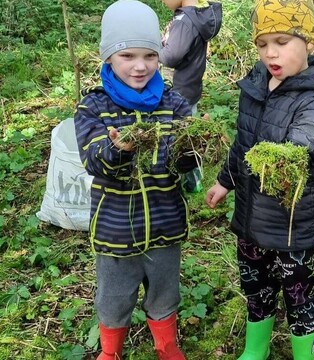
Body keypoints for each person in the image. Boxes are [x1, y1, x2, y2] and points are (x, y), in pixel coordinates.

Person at [205, 0, 314, 358]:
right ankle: (256, 348)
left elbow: (311, 139)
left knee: (299, 291)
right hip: (251, 217)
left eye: (281, 41)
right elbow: (242, 142)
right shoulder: (256, 86)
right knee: (255, 284)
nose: (270, 53)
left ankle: (305, 352)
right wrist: (224, 181)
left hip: (292, 223)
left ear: (308, 42)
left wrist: (286, 155)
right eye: (263, 44)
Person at [74, 1, 198, 358]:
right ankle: (110, 350)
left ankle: (166, 344)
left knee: (164, 292)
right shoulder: (94, 107)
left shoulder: (173, 103)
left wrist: (195, 147)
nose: (140, 66)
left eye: (149, 55)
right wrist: (120, 150)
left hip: (165, 223)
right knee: (114, 297)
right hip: (116, 230)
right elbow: (95, 161)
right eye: (127, 55)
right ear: (109, 57)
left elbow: (186, 163)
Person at [160, 0, 223, 193]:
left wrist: (153, 50)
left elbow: (170, 57)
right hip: (190, 87)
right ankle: (191, 175)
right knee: (187, 132)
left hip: (178, 90)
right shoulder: (197, 16)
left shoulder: (184, 20)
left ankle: (191, 178)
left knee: (182, 137)